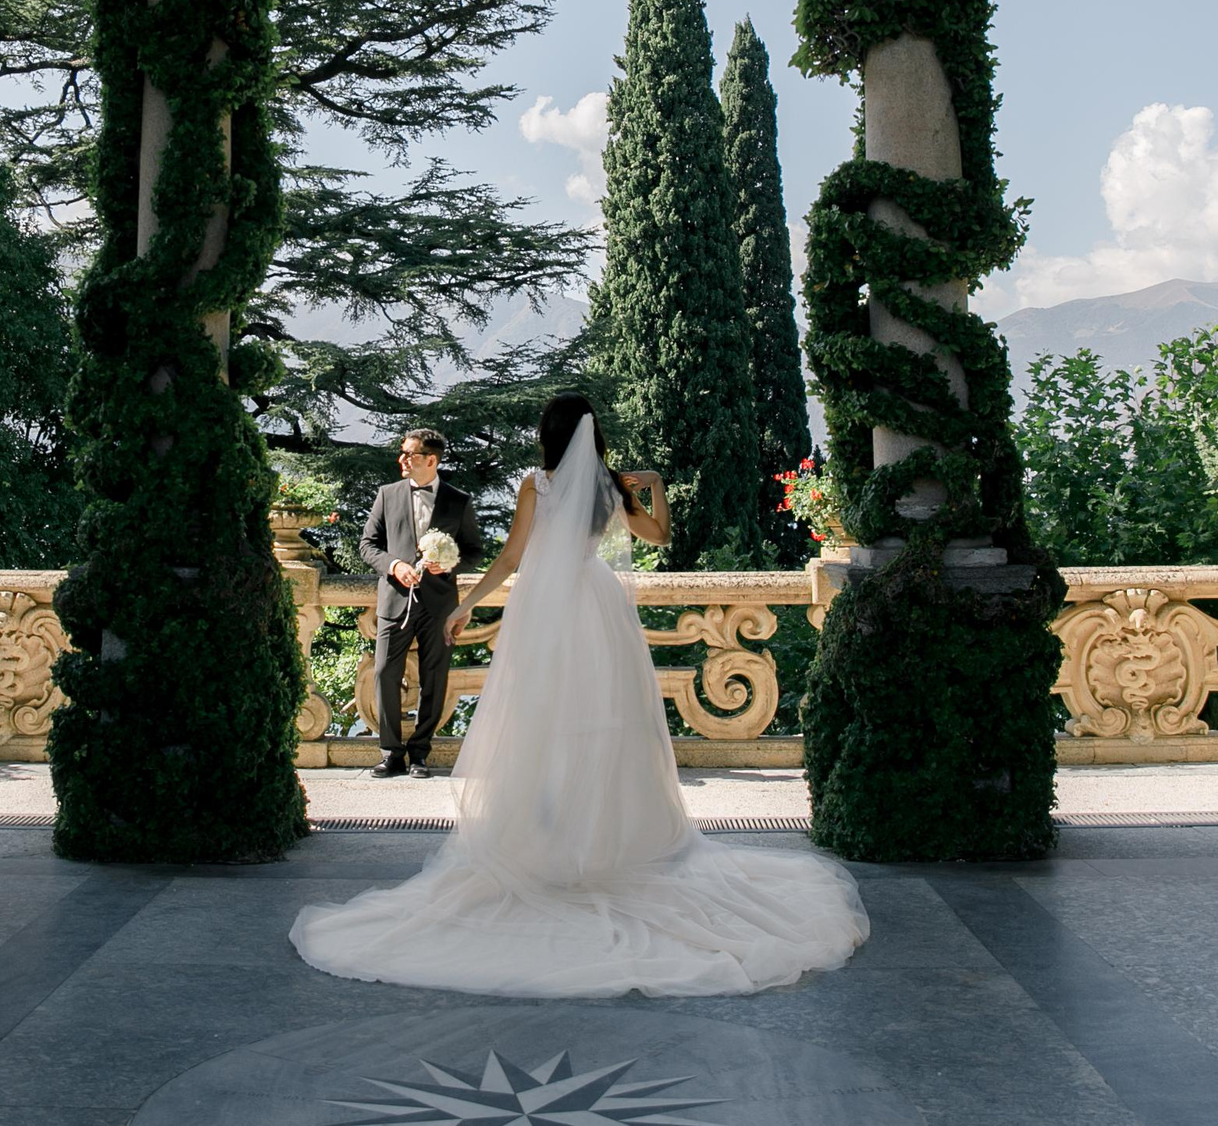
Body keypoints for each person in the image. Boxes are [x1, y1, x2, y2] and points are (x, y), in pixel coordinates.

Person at [289, 392, 869, 997]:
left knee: (540, 724)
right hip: (597, 606)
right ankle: (599, 844)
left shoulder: (536, 484)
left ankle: (551, 846)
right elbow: (661, 536)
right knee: (605, 726)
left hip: (546, 607)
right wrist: (655, 484)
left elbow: (512, 556)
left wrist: (465, 605)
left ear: (549, 434)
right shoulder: (611, 487)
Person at [358, 428, 487, 778]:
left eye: (409, 454)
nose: (401, 459)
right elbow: (367, 545)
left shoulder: (458, 500)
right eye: (402, 453)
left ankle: (419, 754)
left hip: (440, 604)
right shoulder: (387, 495)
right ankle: (390, 752)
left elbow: (475, 551)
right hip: (394, 600)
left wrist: (449, 563)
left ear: (431, 460)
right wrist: (394, 565)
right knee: (385, 673)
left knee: (434, 676)